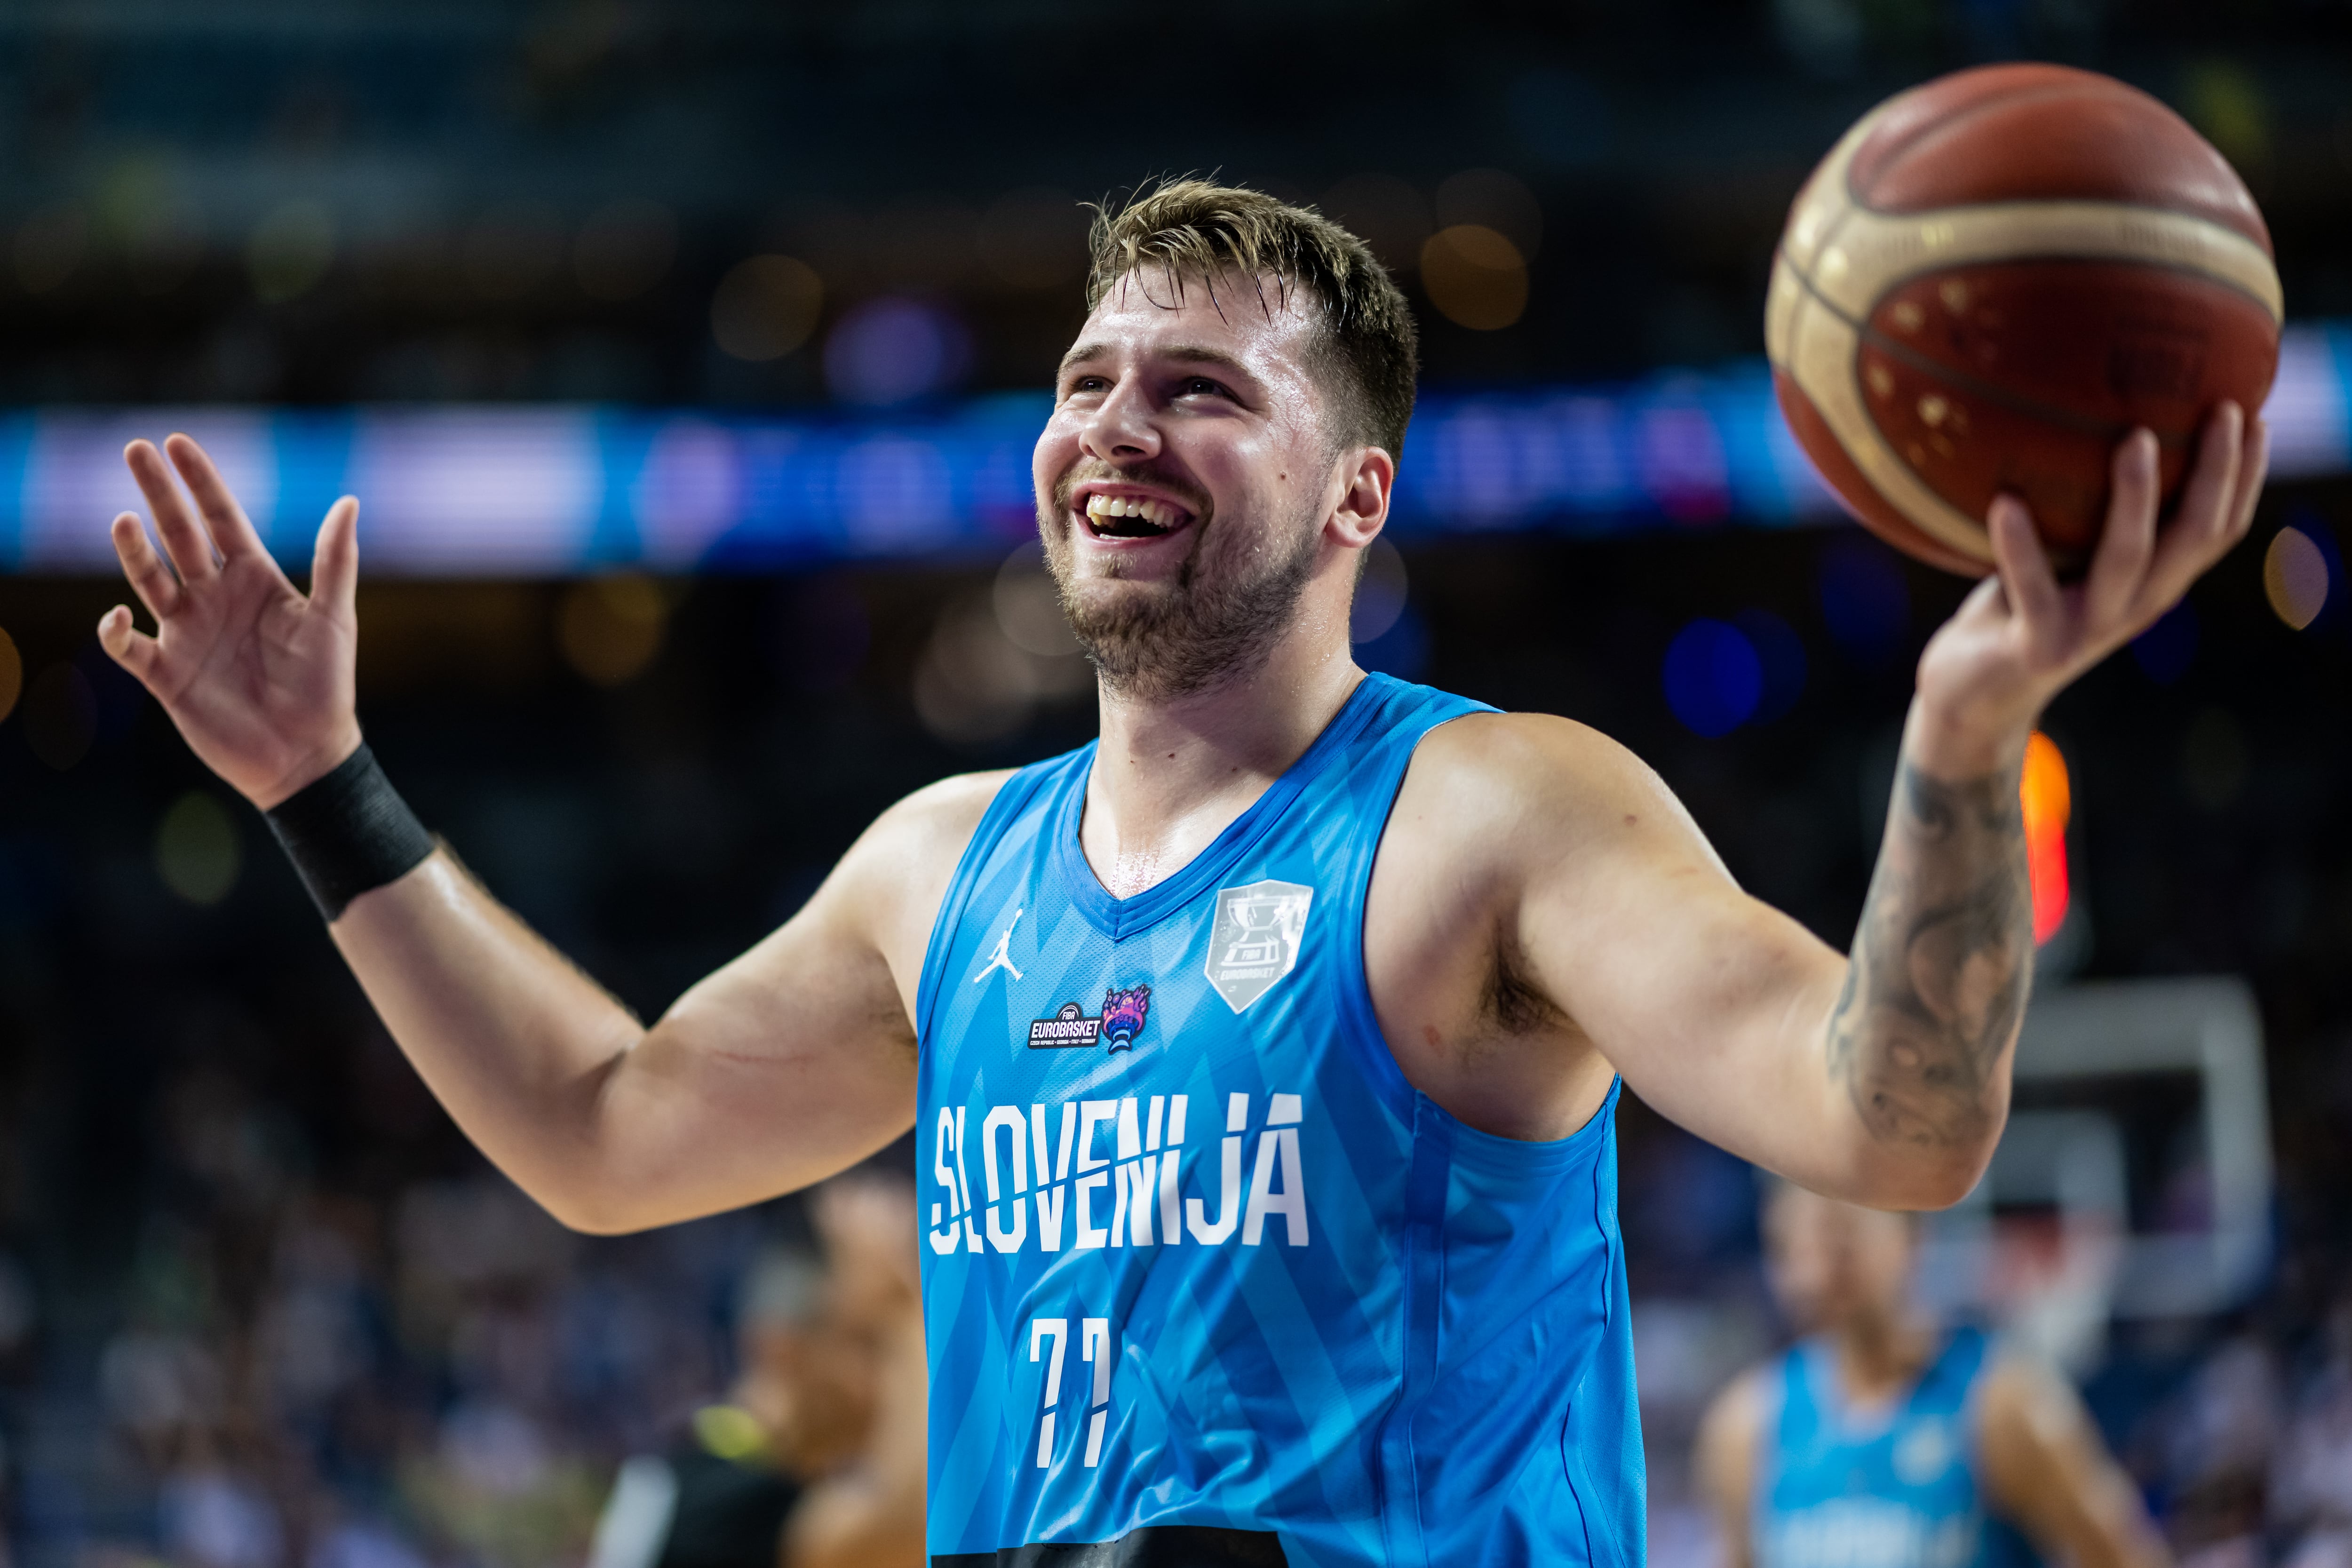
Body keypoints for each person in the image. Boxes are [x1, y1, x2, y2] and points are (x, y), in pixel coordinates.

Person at [91, 179, 2268, 1565]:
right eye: (1088, 377)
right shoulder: (943, 871)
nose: (1115, 421)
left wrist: (1966, 738)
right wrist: (322, 785)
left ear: (1353, 496)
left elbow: (1894, 1122)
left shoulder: (1496, 813)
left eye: (1202, 389)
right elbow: (601, 1131)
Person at [1696, 1180, 2167, 1568]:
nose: (1811, 1270)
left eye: (1837, 1240)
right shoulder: (1746, 1426)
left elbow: (2125, 1554)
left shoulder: (2004, 1403)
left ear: (1910, 1235)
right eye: (1788, 1247)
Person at [590, 1178, 927, 1568]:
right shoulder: (714, 1499)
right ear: (781, 1348)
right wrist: (902, 1309)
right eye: (869, 1347)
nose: (888, 1382)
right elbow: (910, 1525)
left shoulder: (693, 1480)